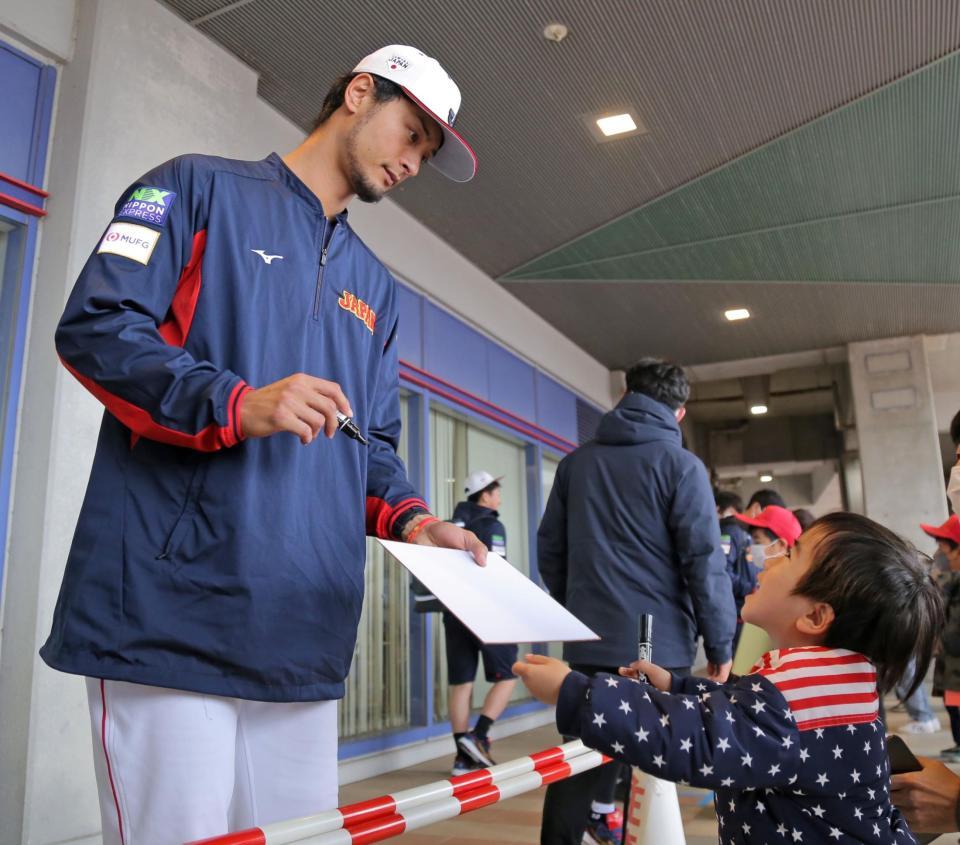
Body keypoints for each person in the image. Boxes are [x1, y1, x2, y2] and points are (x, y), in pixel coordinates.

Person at [39, 45, 486, 845]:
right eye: (412, 133)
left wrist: (420, 522)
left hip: (302, 638)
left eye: (428, 150)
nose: (415, 161)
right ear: (357, 93)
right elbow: (96, 328)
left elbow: (369, 443)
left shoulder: (375, 288)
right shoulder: (191, 187)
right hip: (166, 620)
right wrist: (236, 401)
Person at [516, 512, 944, 845]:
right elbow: (743, 711)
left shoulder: (796, 697)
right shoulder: (827, 682)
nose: (770, 553)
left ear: (815, 616)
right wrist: (675, 686)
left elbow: (704, 738)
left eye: (791, 554)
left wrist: (575, 691)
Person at [536, 357, 736, 845]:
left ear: (624, 394)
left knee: (578, 761)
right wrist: (721, 643)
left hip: (590, 640)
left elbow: (550, 551)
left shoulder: (576, 463)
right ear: (680, 413)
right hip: (659, 647)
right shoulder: (682, 467)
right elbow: (703, 561)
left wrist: (580, 611)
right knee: (654, 763)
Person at [445, 470, 517, 775]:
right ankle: (479, 736)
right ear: (484, 495)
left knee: (461, 683)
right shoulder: (492, 525)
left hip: (453, 609)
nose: (499, 494)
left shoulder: (451, 526)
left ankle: (462, 756)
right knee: (510, 674)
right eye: (495, 489)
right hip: (488, 609)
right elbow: (496, 569)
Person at [923, 516, 960, 761]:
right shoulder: (949, 579)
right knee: (952, 704)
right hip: (950, 658)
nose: (938, 551)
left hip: (956, 658)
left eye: (943, 545)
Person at [716, 490, 759, 653]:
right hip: (743, 612)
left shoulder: (729, 532)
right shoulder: (746, 534)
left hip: (737, 613)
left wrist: (747, 588)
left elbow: (722, 570)